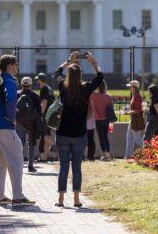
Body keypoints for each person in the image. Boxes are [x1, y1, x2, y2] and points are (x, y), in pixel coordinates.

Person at [0, 55, 35, 206]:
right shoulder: (9, 81)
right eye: (16, 65)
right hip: (6, 126)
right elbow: (11, 100)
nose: (17, 67)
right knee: (16, 158)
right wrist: (11, 118)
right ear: (10, 66)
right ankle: (18, 196)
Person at [54, 51, 103, 208]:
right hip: (79, 134)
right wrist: (94, 63)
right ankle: (76, 199)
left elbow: (56, 72)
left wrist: (68, 61)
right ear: (81, 75)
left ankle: (61, 199)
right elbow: (100, 78)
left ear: (68, 74)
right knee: (76, 168)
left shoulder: (63, 87)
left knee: (63, 167)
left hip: (62, 133)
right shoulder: (86, 89)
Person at [15, 77, 41, 173]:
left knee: (19, 144)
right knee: (32, 145)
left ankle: (19, 165)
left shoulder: (17, 94)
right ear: (31, 85)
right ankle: (30, 165)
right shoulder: (35, 96)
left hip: (19, 123)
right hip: (31, 125)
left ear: (21, 85)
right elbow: (39, 112)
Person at [89, 80, 114, 161]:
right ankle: (108, 154)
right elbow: (111, 109)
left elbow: (92, 108)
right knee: (105, 137)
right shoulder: (109, 97)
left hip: (98, 119)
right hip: (107, 119)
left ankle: (104, 154)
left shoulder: (93, 95)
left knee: (101, 137)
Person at [35, 73, 54, 162]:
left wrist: (40, 114)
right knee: (47, 135)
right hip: (51, 116)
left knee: (45, 136)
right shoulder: (50, 88)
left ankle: (55, 147)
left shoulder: (44, 89)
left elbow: (44, 103)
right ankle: (44, 157)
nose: (37, 82)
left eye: (37, 80)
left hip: (45, 116)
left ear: (39, 80)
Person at [124, 80, 145, 158]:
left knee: (136, 138)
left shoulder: (137, 97)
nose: (129, 88)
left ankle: (148, 150)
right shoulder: (134, 96)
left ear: (134, 88)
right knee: (129, 137)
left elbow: (139, 110)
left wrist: (129, 112)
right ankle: (128, 155)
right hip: (134, 120)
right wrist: (129, 111)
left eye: (130, 87)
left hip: (136, 120)